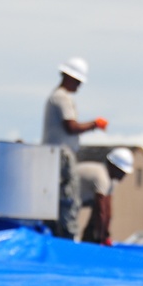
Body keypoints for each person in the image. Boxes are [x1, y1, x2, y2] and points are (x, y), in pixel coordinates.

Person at [41, 57, 108, 239]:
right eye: (78, 82)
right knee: (68, 200)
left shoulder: (56, 96)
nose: (79, 86)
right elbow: (70, 127)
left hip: (54, 156)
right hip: (62, 156)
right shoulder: (61, 97)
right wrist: (95, 124)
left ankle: (58, 235)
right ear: (70, 78)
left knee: (58, 201)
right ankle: (67, 240)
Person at [78, 147, 133, 245]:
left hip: (78, 200)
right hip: (62, 198)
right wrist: (102, 238)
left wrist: (106, 235)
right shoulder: (101, 176)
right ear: (113, 166)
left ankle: (90, 240)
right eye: (122, 172)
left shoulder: (110, 181)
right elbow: (101, 210)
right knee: (67, 231)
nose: (124, 176)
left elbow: (108, 210)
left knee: (97, 220)